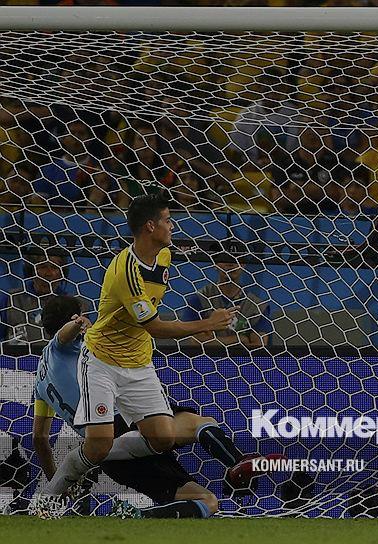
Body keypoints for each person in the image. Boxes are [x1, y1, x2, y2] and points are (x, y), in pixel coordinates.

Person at [41, 193, 235, 499]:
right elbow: (154, 326)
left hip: (139, 362)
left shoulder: (164, 256)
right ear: (150, 226)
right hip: (103, 360)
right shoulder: (125, 270)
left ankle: (94, 453)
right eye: (167, 220)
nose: (172, 226)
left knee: (163, 438)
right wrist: (207, 323)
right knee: (99, 442)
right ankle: (50, 496)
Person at [32, 294, 277, 519]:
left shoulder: (40, 383)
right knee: (199, 424)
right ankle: (236, 462)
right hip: (125, 421)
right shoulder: (62, 347)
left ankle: (135, 515)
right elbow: (63, 336)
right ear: (75, 317)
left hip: (107, 454)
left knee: (207, 501)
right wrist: (77, 324)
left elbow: (40, 439)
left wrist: (56, 481)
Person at [184, 250, 272, 348]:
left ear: (243, 265)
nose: (230, 264)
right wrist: (239, 339)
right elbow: (196, 341)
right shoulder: (199, 299)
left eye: (236, 258)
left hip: (242, 358)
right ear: (215, 264)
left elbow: (259, 346)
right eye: (225, 258)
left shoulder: (257, 306)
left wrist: (214, 340)